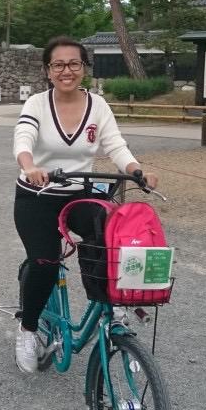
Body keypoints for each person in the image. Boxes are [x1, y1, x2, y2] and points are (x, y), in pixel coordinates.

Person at [13, 36, 158, 374]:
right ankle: (28, 329)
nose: (67, 70)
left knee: (111, 236)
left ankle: (114, 313)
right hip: (37, 195)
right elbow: (23, 138)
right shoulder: (36, 103)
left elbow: (116, 146)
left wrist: (137, 170)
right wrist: (29, 165)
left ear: (84, 68)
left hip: (80, 192)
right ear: (48, 71)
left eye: (74, 64)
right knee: (46, 263)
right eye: (58, 65)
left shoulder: (98, 105)